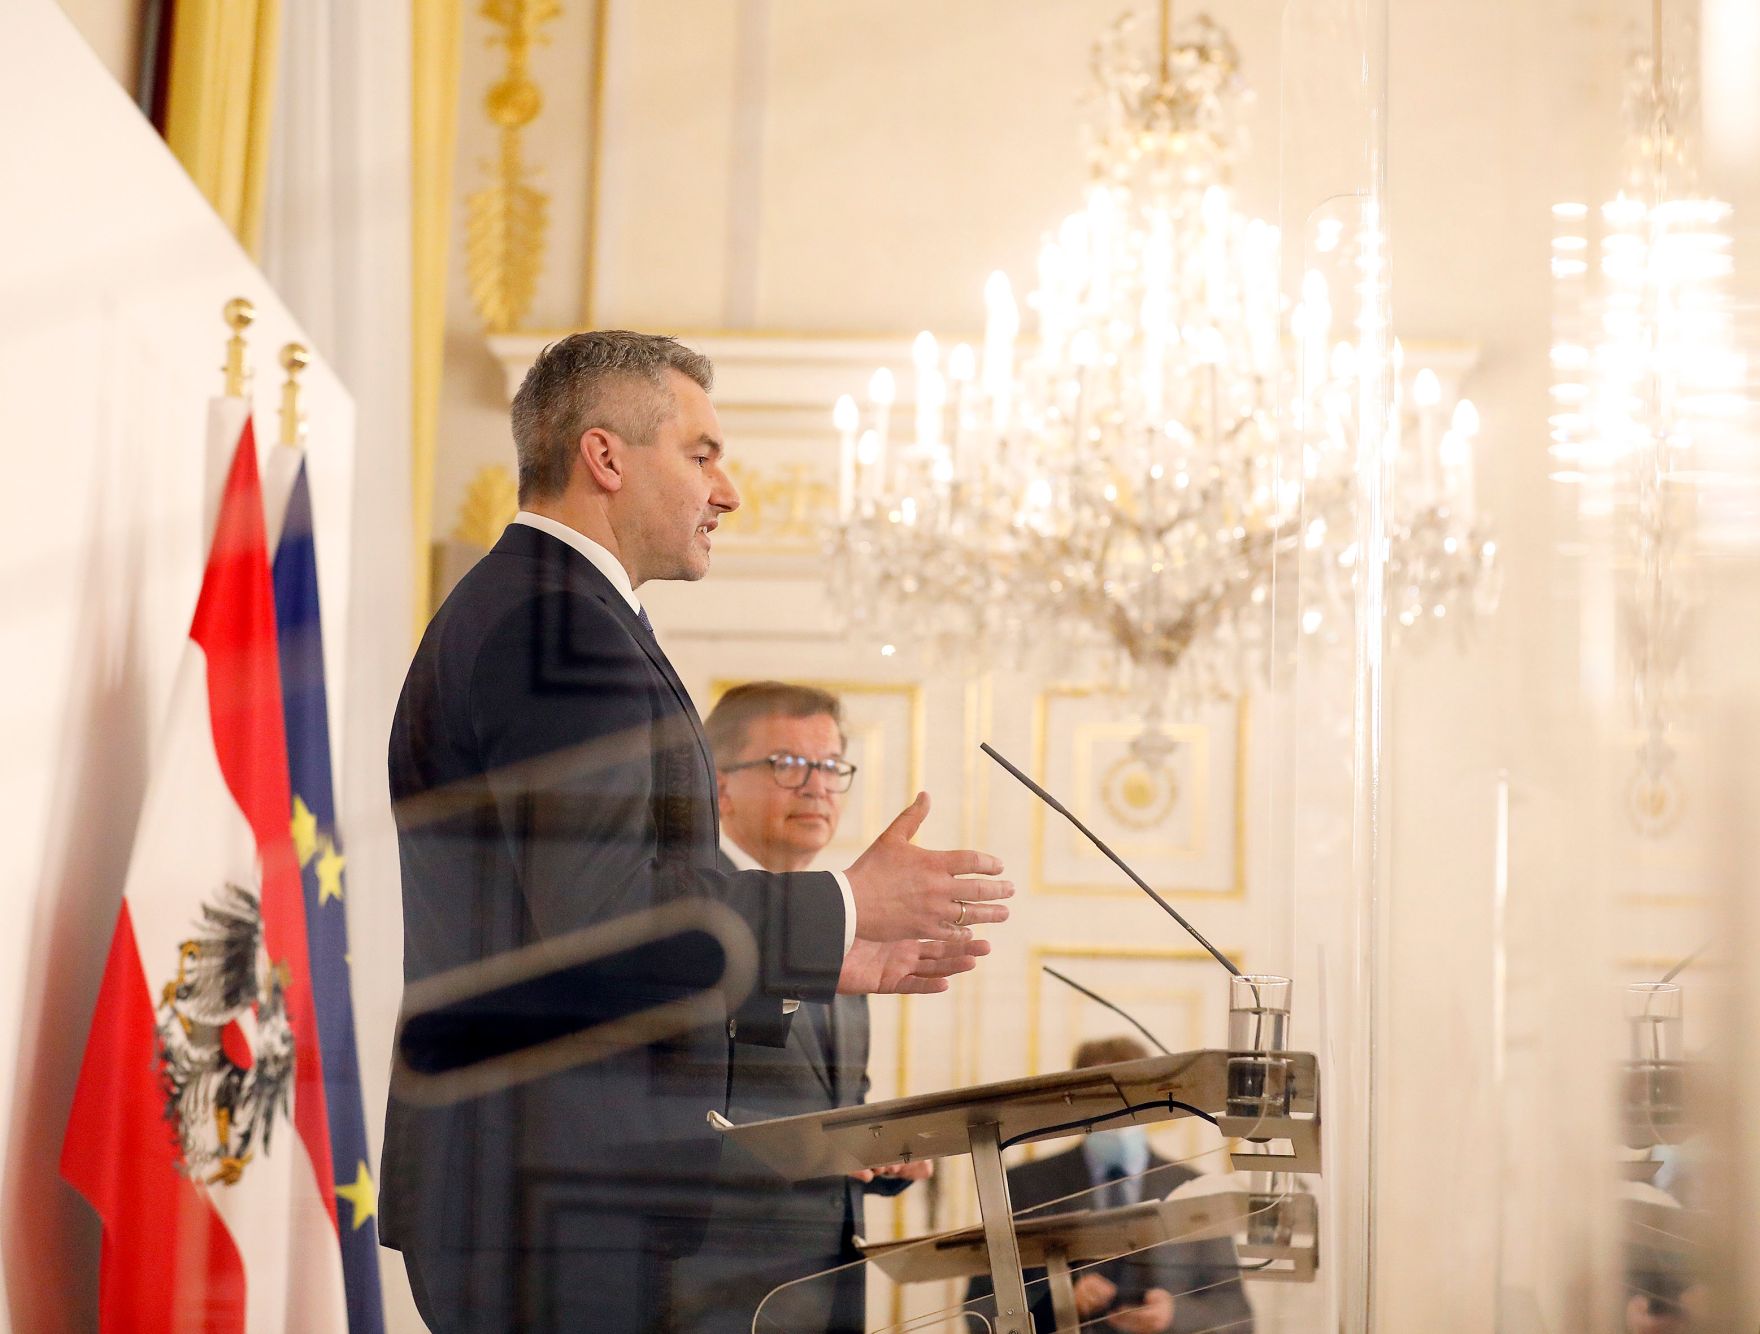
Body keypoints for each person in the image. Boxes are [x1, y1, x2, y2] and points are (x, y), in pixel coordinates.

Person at [381, 331, 1012, 1332]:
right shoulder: (556, 625)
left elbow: (597, 930)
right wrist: (840, 903)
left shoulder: (560, 613)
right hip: (548, 1212)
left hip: (553, 1197)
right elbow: (608, 920)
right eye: (704, 453)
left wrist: (821, 955)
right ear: (605, 456)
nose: (729, 490)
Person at [675, 682, 932, 1333]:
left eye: (831, 767)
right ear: (719, 785)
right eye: (788, 764)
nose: (817, 787)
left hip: (823, 1287)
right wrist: (828, 1149)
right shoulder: (683, 915)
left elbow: (834, 1112)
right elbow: (670, 1106)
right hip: (709, 1292)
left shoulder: (841, 931)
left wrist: (884, 1149)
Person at [964, 1037, 1254, 1334]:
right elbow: (979, 1310)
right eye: (1101, 1099)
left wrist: (1174, 1315)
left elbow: (1236, 1314)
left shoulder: (1193, 1187)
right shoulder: (1025, 1185)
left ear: (1154, 1098)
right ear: (1073, 1102)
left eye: (1129, 1097)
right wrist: (1060, 1303)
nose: (1118, 1114)